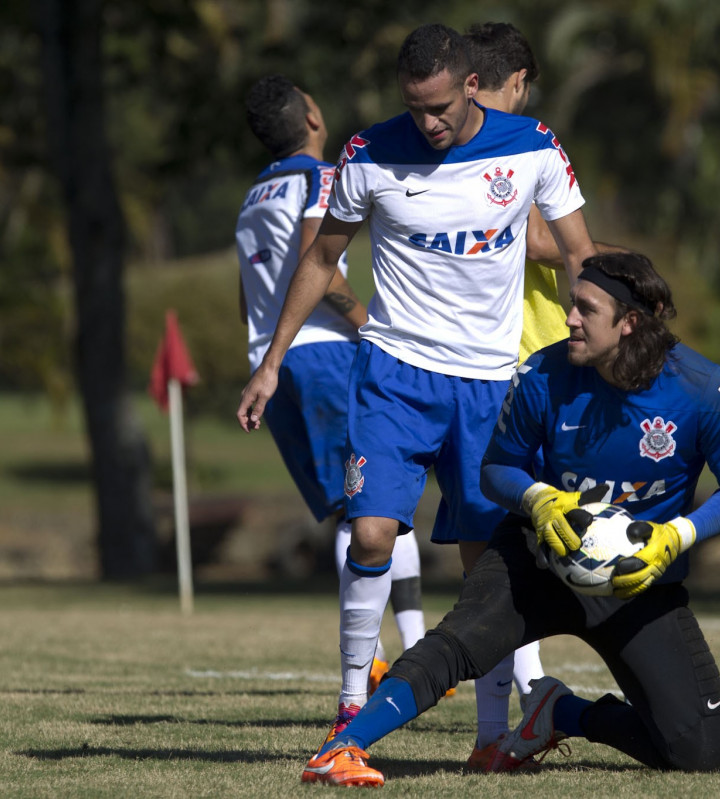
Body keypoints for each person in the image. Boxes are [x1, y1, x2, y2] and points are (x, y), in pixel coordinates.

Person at [235, 24, 597, 758]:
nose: (427, 124)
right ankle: (348, 707)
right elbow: (321, 257)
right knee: (369, 530)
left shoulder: (533, 146)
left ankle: (494, 736)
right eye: (413, 107)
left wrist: (585, 356)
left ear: (471, 86)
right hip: (393, 375)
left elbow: (578, 255)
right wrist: (270, 362)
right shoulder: (368, 153)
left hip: (491, 384)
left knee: (482, 561)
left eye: (438, 108)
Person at [301, 251, 720, 787]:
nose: (569, 318)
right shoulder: (543, 373)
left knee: (708, 752)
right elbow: (497, 469)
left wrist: (676, 536)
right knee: (458, 644)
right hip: (537, 558)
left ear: (629, 322)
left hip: (639, 579)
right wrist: (539, 500)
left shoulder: (703, 388)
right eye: (572, 305)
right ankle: (343, 746)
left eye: (585, 309)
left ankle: (561, 712)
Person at [235, 75, 430, 702]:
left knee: (350, 507)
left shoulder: (253, 194)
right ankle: (395, 651)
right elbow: (313, 260)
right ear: (313, 116)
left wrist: (267, 354)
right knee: (373, 499)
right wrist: (371, 326)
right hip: (326, 355)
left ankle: (384, 653)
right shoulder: (318, 177)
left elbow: (248, 288)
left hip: (276, 355)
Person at [464, 21, 631, 717]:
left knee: (498, 530)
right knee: (512, 529)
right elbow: (544, 238)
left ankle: (517, 685)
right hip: (515, 358)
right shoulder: (525, 142)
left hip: (477, 361)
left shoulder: (435, 147)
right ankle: (517, 687)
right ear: (520, 82)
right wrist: (623, 269)